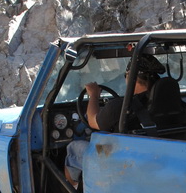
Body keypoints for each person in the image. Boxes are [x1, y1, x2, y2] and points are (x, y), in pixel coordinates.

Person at [64, 54, 165, 185]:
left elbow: (93, 121)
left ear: (131, 77)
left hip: (122, 159)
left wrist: (93, 95)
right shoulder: (170, 105)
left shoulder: (121, 106)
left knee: (73, 148)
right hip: (156, 157)